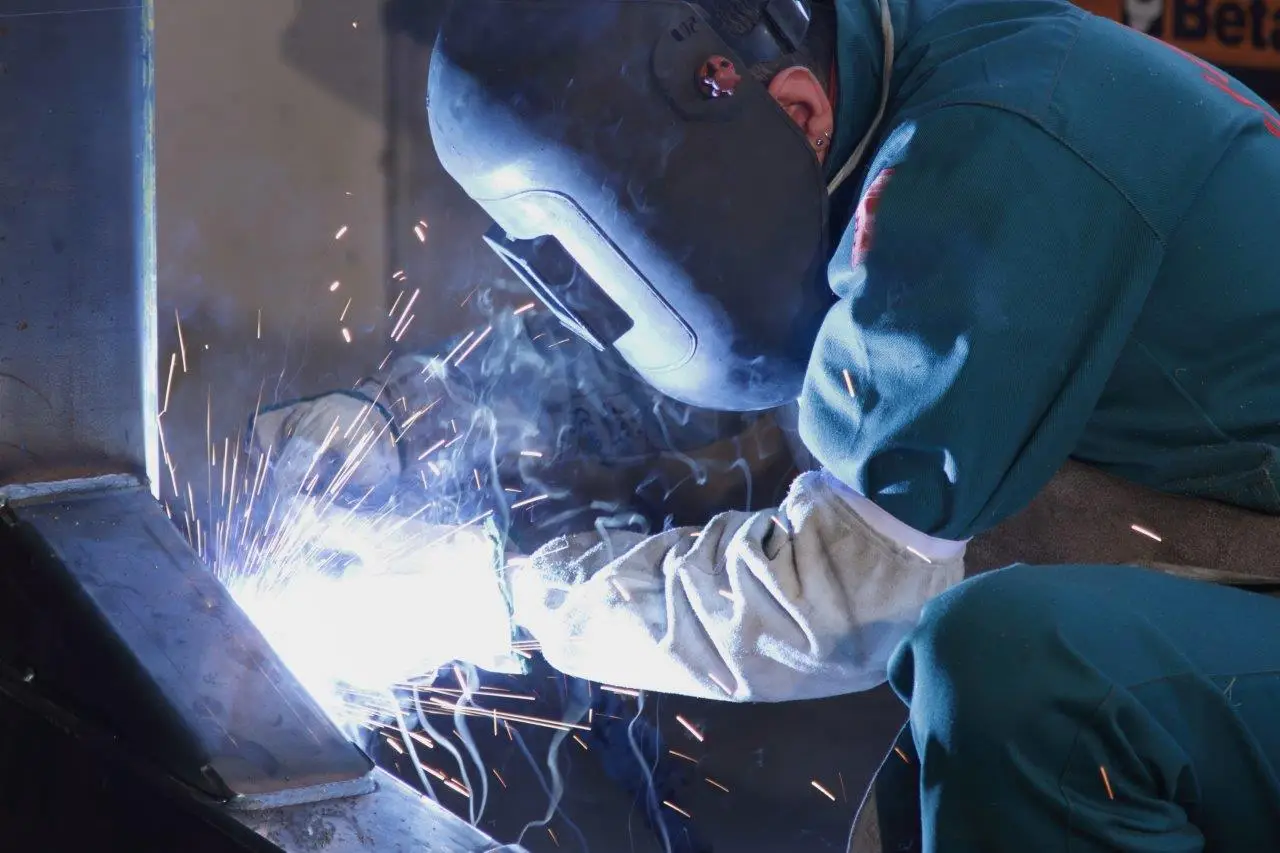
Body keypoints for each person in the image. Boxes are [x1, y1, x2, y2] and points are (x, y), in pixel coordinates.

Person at [258, 0, 1280, 848]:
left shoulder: (988, 145)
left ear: (789, 109)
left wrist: (507, 601)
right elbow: (690, 334)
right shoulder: (876, 89)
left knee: (1017, 670)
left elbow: (842, 587)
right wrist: (403, 418)